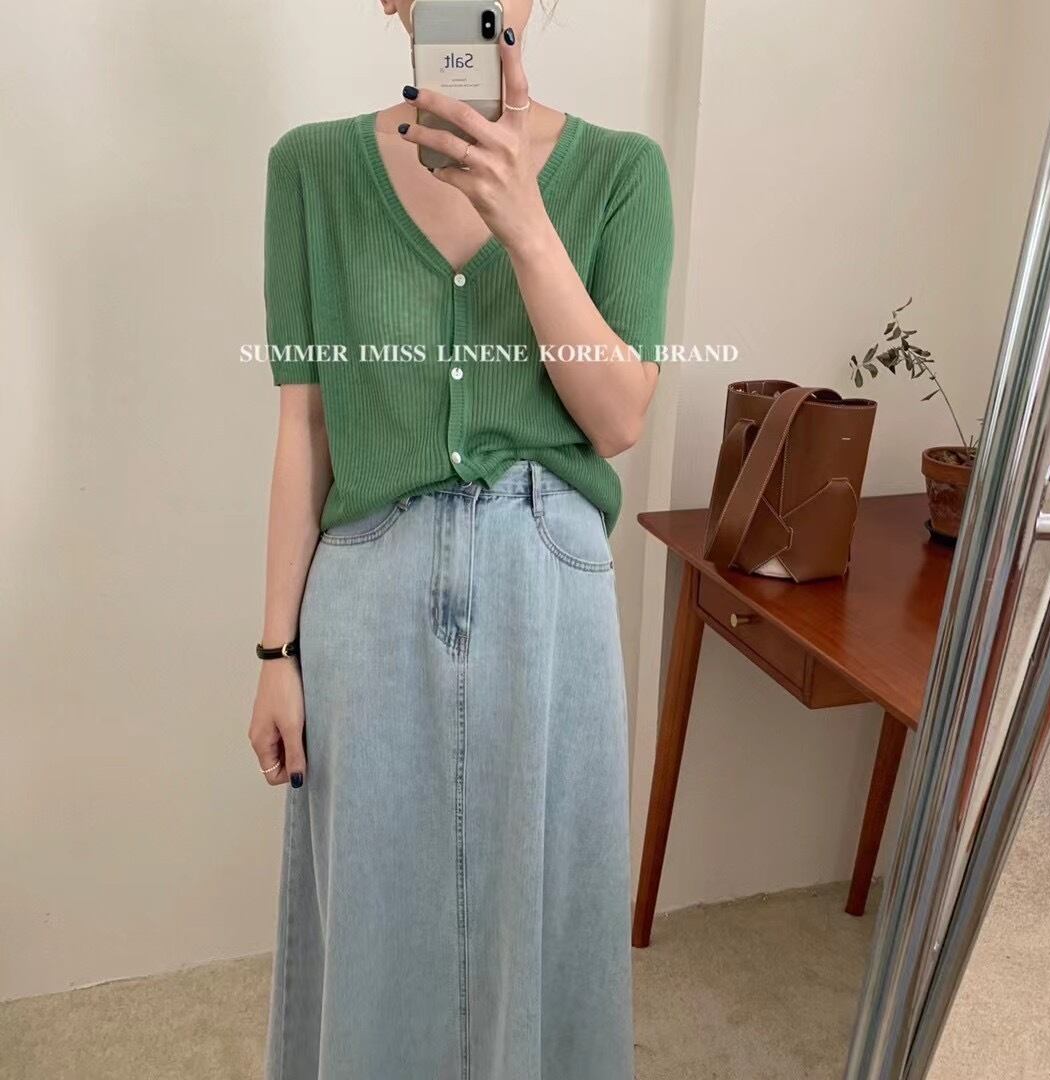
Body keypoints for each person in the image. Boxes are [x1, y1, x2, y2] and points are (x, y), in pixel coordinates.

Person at [249, 2, 674, 1076]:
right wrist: (274, 653)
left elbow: (618, 419)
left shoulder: (623, 171)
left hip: (548, 578)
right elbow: (306, 426)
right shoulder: (310, 170)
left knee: (549, 915)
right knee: (372, 924)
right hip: (367, 587)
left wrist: (523, 219)